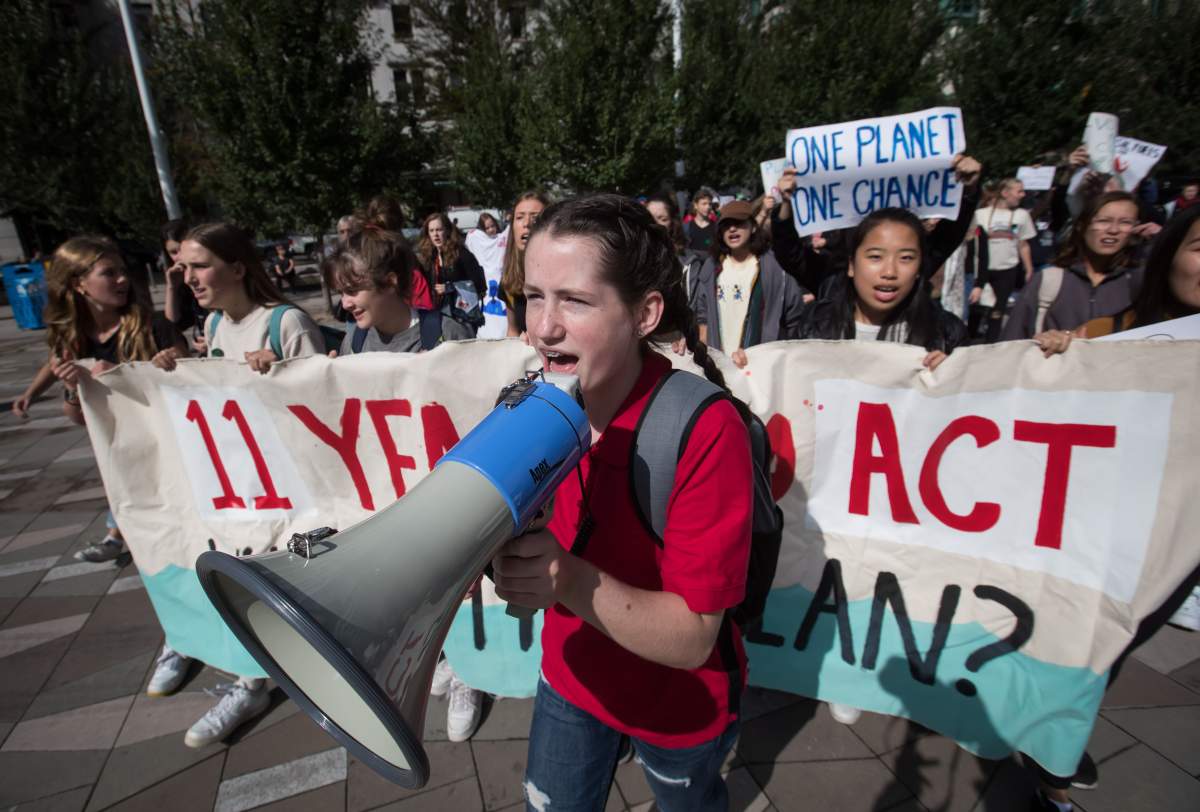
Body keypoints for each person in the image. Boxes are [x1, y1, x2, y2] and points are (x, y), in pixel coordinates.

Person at [491, 194, 752, 811]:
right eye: (533, 296)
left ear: (645, 313)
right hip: (572, 680)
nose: (543, 327)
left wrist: (561, 576)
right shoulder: (529, 402)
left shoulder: (706, 428)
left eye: (575, 300)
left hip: (678, 708)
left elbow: (693, 638)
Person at [154, 222, 324, 746]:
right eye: (183, 268)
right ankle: (252, 679)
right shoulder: (215, 326)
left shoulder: (285, 322)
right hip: (248, 490)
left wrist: (284, 371)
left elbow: (328, 405)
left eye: (198, 265)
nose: (188, 278)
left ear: (237, 267)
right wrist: (175, 370)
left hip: (297, 492)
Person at [42, 236, 193, 702]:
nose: (123, 280)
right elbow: (79, 416)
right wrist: (74, 389)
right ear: (78, 284)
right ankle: (181, 636)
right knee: (153, 557)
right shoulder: (69, 338)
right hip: (126, 468)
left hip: (178, 462)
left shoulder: (153, 327)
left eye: (121, 270)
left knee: (188, 547)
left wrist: (158, 367)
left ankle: (203, 634)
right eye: (109, 273)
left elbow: (192, 387)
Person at [793, 208, 966, 369]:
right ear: (851, 265)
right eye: (875, 257)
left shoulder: (946, 334)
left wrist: (954, 379)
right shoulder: (814, 325)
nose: (889, 272)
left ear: (920, 268)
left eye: (905, 258)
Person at [1001, 191, 1143, 341]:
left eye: (1125, 222)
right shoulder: (1049, 280)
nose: (1113, 230)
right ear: (1082, 226)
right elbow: (1011, 343)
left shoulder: (1139, 284)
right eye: (1103, 221)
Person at [329, 213, 474, 354]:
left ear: (390, 282)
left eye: (353, 290)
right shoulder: (354, 341)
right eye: (341, 292)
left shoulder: (448, 335)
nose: (345, 304)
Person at [694, 199, 807, 368]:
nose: (732, 229)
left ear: (753, 226)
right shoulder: (711, 266)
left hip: (762, 366)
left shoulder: (774, 266)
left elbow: (794, 316)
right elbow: (702, 315)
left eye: (739, 223)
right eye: (726, 225)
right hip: (720, 366)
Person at [973, 178, 1037, 342]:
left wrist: (1029, 269)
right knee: (976, 309)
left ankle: (991, 344)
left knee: (998, 311)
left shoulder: (1022, 215)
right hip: (982, 270)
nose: (1022, 195)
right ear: (1005, 193)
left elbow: (1023, 244)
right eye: (1019, 191)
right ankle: (969, 340)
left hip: (1007, 269)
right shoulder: (981, 215)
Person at [416, 212, 486, 334]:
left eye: (439, 230)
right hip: (437, 314)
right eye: (431, 231)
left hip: (462, 316)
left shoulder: (462, 254)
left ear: (447, 231)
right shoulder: (428, 256)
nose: (435, 235)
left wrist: (450, 287)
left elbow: (479, 284)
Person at [645, 193, 707, 329]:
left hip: (674, 339)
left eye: (662, 219)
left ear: (672, 223)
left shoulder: (688, 262)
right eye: (650, 218)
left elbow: (693, 308)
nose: (655, 224)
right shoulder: (630, 257)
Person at [500, 191, 551, 337]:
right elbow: (513, 331)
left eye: (535, 217)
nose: (527, 223)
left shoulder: (569, 274)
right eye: (519, 217)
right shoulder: (509, 278)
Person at [684, 187, 717, 254]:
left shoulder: (716, 227)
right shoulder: (687, 227)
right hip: (692, 262)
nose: (708, 207)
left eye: (710, 204)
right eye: (704, 204)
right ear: (696, 205)